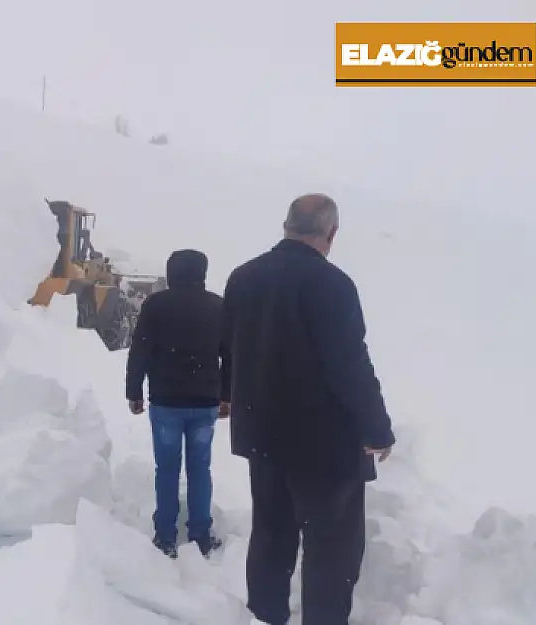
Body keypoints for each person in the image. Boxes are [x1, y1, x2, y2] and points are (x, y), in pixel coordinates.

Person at [221, 194, 396, 625]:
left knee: (270, 536)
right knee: (331, 551)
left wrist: (227, 395)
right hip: (324, 446)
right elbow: (348, 364)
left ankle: (265, 617)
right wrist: (377, 429)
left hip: (263, 436)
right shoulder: (332, 284)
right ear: (330, 233)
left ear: (286, 225)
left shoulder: (243, 278)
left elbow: (229, 349)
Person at [125, 249, 231, 558]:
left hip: (166, 402)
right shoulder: (218, 307)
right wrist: (227, 395)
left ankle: (166, 537)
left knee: (167, 469)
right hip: (205, 402)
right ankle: (200, 534)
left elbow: (140, 351)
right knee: (200, 468)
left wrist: (134, 392)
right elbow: (231, 355)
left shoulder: (156, 306)